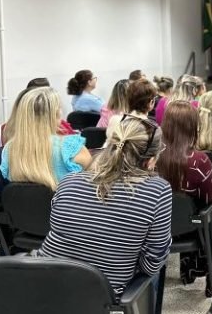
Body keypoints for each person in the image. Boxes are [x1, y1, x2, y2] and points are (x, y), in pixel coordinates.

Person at [38, 116, 171, 297]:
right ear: (150, 160)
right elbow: (152, 264)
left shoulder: (69, 181)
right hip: (100, 295)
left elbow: (59, 230)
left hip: (43, 283)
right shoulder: (158, 191)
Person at [157, 101, 212, 286]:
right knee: (211, 210)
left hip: (159, 226)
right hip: (192, 226)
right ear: (193, 127)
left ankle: (188, 270)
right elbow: (209, 197)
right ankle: (208, 275)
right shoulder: (198, 161)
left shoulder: (151, 157)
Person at [0, 88, 92, 189]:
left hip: (23, 204)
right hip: (64, 204)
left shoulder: (9, 149)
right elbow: (91, 180)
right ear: (55, 114)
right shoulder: (71, 148)